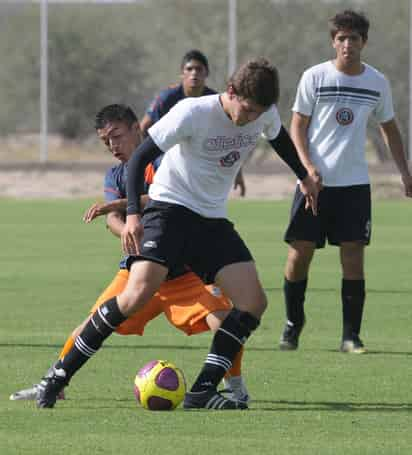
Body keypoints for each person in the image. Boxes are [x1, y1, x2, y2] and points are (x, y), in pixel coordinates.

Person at [36, 59, 319, 410]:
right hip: (169, 209)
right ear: (231, 92)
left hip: (211, 220)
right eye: (245, 109)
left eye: (257, 113)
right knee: (136, 294)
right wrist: (135, 216)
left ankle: (201, 390)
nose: (249, 118)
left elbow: (280, 140)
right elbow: (139, 158)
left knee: (253, 302)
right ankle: (58, 377)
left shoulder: (264, 113)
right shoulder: (192, 113)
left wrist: (304, 176)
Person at [10, 104, 248, 403]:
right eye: (105, 141)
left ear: (137, 129)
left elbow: (166, 196)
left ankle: (236, 388)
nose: (112, 146)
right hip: (137, 272)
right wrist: (122, 226)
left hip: (182, 273)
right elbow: (112, 219)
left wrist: (123, 206)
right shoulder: (115, 174)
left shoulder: (166, 158)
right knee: (92, 323)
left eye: (117, 136)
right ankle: (52, 382)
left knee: (225, 320)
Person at [278, 10, 412, 354]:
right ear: (333, 42)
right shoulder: (314, 77)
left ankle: (350, 336)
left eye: (353, 38)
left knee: (353, 257)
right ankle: (293, 325)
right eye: (341, 38)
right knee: (299, 254)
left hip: (354, 185)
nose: (347, 44)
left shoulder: (376, 82)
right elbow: (297, 126)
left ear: (364, 42)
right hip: (313, 185)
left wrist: (404, 172)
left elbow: (390, 129)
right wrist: (306, 168)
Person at [140, 48, 246, 197]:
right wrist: (144, 160)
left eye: (199, 69)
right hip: (166, 161)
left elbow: (229, 137)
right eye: (189, 69)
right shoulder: (167, 98)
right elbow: (143, 128)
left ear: (206, 73)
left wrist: (237, 172)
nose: (194, 73)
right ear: (182, 73)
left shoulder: (215, 101)